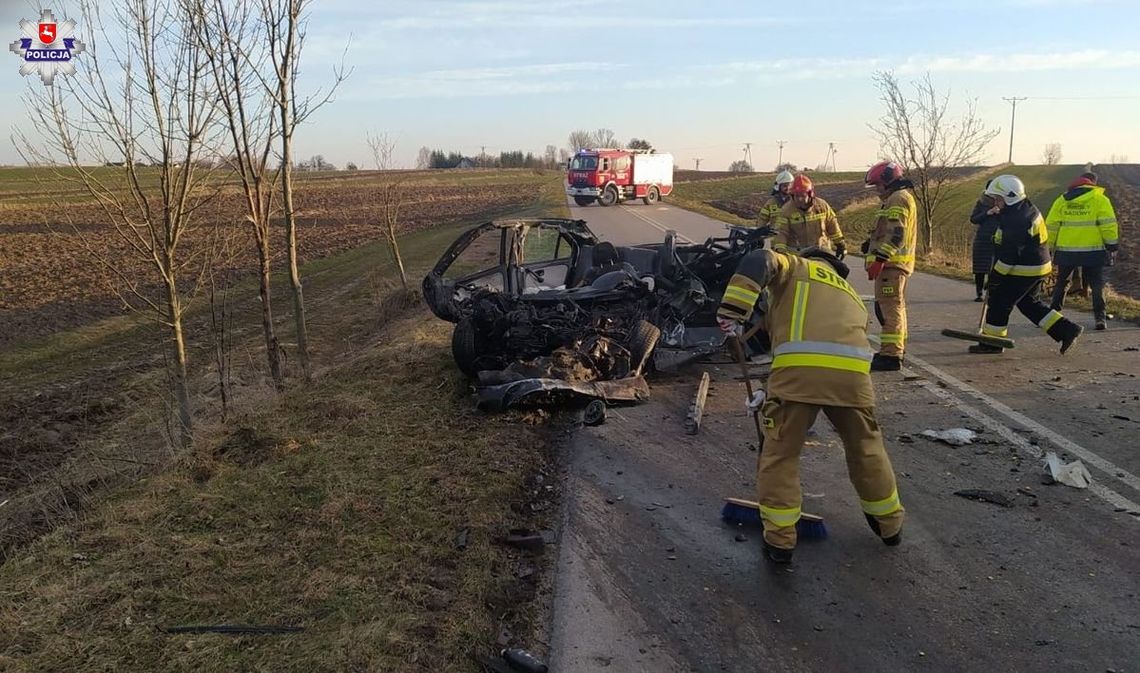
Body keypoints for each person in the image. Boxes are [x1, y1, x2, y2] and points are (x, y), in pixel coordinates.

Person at [716, 247, 905, 564]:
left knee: (780, 455)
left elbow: (759, 260)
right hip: (854, 380)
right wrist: (766, 389)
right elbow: (798, 333)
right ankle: (890, 525)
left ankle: (780, 541)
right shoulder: (852, 295)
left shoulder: (794, 267)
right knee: (867, 449)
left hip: (799, 378)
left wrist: (732, 311)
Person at [967, 174, 1084, 354]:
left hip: (1026, 268)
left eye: (998, 199)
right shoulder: (1020, 208)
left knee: (999, 302)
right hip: (1036, 265)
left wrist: (995, 278)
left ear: (1009, 198)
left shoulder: (1017, 220)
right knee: (1028, 303)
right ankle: (1067, 330)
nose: (995, 203)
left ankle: (992, 343)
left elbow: (1009, 256)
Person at [1045, 171, 1120, 330]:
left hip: (1066, 250)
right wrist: (1111, 245)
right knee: (1097, 284)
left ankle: (1053, 316)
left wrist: (1048, 248)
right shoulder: (1100, 199)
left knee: (1062, 282)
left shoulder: (1062, 200)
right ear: (1092, 183)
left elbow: (1051, 226)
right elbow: (1108, 224)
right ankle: (1100, 318)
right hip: (1093, 250)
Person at [861, 160, 917, 371]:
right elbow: (889, 230)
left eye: (878, 185)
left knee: (889, 309)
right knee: (894, 307)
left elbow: (897, 234)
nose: (877, 190)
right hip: (895, 265)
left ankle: (891, 355)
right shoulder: (899, 197)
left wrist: (880, 259)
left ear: (887, 182)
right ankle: (895, 349)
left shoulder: (897, 199)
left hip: (891, 266)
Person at [771, 174, 846, 258]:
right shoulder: (786, 210)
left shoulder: (822, 206)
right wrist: (780, 252)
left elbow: (832, 224)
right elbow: (781, 233)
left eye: (802, 196)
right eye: (796, 196)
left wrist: (840, 244)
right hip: (798, 258)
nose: (799, 199)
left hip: (822, 253)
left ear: (810, 194)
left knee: (842, 269)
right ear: (792, 195)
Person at [969, 179, 1000, 301]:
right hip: (982, 239)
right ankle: (979, 293)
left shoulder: (1003, 203)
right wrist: (988, 212)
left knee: (995, 268)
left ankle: (991, 290)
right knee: (980, 268)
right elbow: (973, 219)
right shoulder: (981, 202)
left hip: (998, 239)